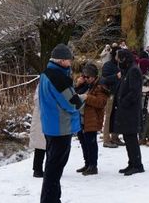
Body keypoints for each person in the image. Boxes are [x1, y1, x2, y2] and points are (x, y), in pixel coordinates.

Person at [39, 44, 83, 203]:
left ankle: (51, 199)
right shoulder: (58, 77)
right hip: (60, 128)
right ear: (62, 60)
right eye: (69, 60)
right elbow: (72, 103)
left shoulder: (46, 73)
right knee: (55, 169)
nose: (71, 63)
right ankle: (50, 200)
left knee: (52, 166)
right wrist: (81, 100)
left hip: (50, 126)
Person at [113, 49, 144, 176]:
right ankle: (132, 162)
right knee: (128, 137)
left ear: (124, 58)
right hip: (126, 111)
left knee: (131, 138)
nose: (117, 61)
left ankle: (137, 164)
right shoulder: (128, 70)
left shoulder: (134, 70)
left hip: (130, 111)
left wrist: (123, 102)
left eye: (119, 58)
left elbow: (135, 92)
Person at [74, 63, 108, 176]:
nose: (86, 79)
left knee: (91, 143)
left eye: (88, 77)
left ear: (93, 76)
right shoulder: (86, 85)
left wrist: (87, 98)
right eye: (84, 76)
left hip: (92, 119)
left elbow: (101, 102)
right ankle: (87, 163)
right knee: (83, 142)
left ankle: (93, 166)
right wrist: (79, 85)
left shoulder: (100, 86)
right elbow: (74, 94)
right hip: (82, 118)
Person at [101, 45, 123, 148]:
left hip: (120, 94)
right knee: (109, 116)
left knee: (118, 116)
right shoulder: (108, 65)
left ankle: (115, 137)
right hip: (111, 94)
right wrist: (116, 76)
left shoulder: (121, 65)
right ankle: (106, 139)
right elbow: (103, 80)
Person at [29, 83, 45, 178]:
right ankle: (37, 169)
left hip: (48, 118)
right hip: (41, 118)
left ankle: (49, 169)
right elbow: (37, 100)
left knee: (50, 146)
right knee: (40, 146)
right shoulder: (41, 85)